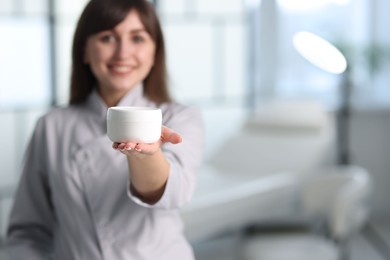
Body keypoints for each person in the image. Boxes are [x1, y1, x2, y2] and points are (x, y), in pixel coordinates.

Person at [6, 0, 204, 259]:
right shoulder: (52, 127)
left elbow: (174, 192)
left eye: (137, 38)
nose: (122, 53)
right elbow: (28, 232)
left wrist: (147, 156)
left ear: (155, 52)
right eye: (107, 37)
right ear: (85, 51)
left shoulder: (180, 118)